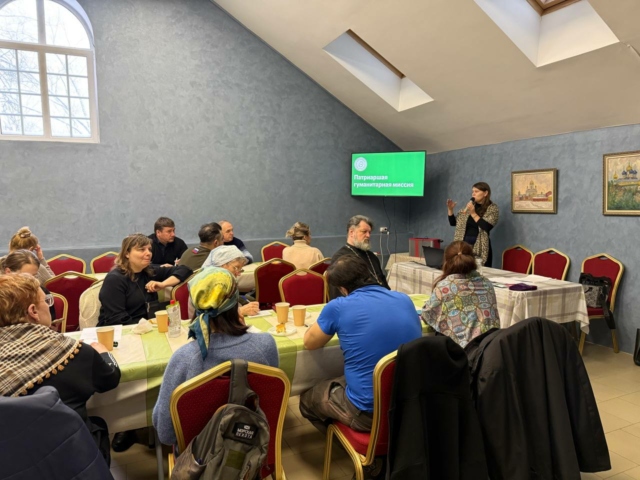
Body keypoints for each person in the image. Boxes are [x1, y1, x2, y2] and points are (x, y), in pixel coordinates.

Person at [0, 274, 120, 465]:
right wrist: (104, 353)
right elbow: (110, 379)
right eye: (46, 301)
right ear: (33, 311)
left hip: (11, 465)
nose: (49, 306)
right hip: (73, 459)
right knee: (98, 424)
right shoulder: (73, 352)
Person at [153, 267, 278, 446]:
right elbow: (270, 403)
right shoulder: (266, 344)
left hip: (201, 458)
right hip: (256, 448)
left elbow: (165, 433)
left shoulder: (184, 358)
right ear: (236, 303)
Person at [300, 255, 421, 435]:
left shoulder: (338, 307)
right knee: (343, 379)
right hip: (410, 403)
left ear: (342, 288)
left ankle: (344, 440)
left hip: (367, 413)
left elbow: (309, 343)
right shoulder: (403, 299)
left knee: (308, 398)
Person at [98, 233, 193, 327]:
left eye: (149, 249)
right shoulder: (114, 279)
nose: (148, 253)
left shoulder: (149, 271)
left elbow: (185, 270)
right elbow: (117, 319)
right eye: (142, 249)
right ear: (127, 254)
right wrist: (148, 327)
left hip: (148, 326)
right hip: (123, 330)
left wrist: (163, 284)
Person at [421, 241, 500, 348]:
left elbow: (427, 315)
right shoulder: (487, 283)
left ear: (446, 262)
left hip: (465, 352)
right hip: (491, 347)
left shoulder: (445, 287)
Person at [329, 215, 389, 299]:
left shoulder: (372, 257)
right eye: (364, 232)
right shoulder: (340, 259)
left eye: (369, 232)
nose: (368, 235)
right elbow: (339, 294)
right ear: (351, 232)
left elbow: (383, 282)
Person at [447, 182, 499, 267]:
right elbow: (453, 223)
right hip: (463, 245)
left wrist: (473, 213)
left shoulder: (492, 208)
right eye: (472, 191)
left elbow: (486, 226)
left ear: (485, 193)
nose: (473, 194)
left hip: (480, 245)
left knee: (479, 270)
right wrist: (450, 210)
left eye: (476, 191)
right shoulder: (469, 207)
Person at [202, 246, 260, 318]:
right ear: (222, 265)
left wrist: (247, 305)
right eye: (236, 267)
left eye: (240, 269)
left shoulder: (225, 282)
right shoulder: (208, 285)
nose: (239, 274)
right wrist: (240, 311)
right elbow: (207, 317)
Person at [1, 250, 55, 320]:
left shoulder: (42, 293)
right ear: (8, 272)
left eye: (35, 276)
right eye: (26, 277)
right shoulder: (3, 295)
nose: (31, 281)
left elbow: (50, 320)